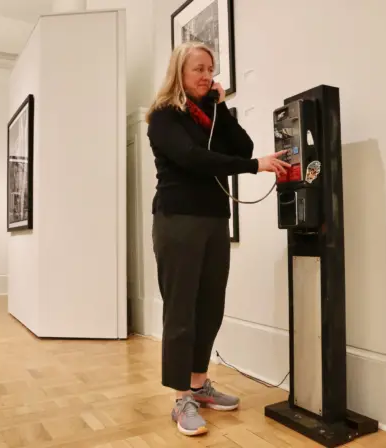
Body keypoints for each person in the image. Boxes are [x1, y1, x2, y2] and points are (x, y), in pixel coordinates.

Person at [145, 41, 290, 436]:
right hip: (177, 220)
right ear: (179, 72)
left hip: (212, 219)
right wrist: (253, 166)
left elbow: (241, 147)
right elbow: (193, 158)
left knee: (210, 307)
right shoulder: (163, 117)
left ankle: (199, 385)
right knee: (181, 312)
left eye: (211, 69)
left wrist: (220, 107)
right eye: (199, 69)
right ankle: (181, 401)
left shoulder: (210, 115)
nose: (207, 75)